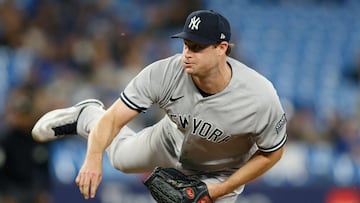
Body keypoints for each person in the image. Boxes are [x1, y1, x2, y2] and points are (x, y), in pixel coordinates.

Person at [31, 10, 287, 203]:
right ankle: (87, 115)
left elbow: (271, 152)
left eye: (197, 47)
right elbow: (114, 119)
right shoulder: (165, 72)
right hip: (170, 140)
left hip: (221, 172)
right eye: (186, 44)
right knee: (119, 159)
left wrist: (217, 190)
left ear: (221, 49)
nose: (187, 53)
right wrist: (94, 156)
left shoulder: (259, 97)